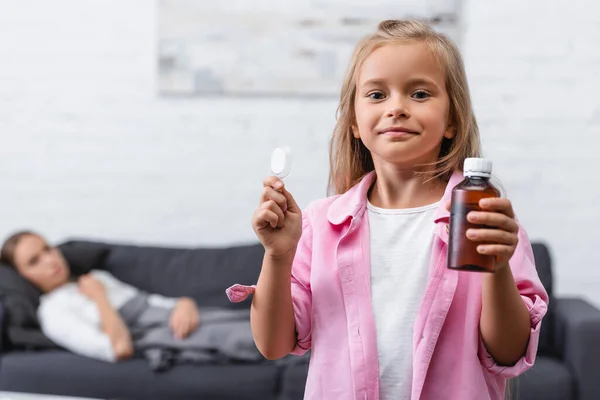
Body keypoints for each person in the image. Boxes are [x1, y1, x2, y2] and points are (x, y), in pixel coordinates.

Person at [227, 20, 548, 400]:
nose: (396, 108)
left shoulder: (485, 220)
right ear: (355, 125)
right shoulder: (320, 224)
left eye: (419, 94)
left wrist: (496, 269)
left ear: (452, 120)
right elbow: (273, 344)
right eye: (378, 95)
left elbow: (508, 352)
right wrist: (278, 256)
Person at [1, 231, 260, 368]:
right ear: (22, 276)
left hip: (168, 316)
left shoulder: (94, 276)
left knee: (251, 321)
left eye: (47, 248)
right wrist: (99, 298)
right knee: (247, 338)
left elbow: (146, 301)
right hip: (150, 333)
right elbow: (119, 349)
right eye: (34, 261)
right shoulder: (53, 312)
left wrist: (184, 303)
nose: (50, 259)